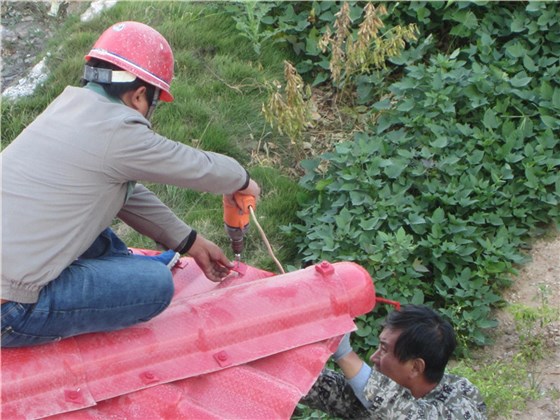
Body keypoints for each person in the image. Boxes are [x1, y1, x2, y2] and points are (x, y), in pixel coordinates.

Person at [1, 21, 260, 348]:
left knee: (89, 212)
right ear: (139, 95)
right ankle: (127, 277)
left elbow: (123, 193)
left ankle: (121, 270)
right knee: (155, 285)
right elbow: (199, 167)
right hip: (10, 309)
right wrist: (245, 180)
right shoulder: (119, 134)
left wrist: (189, 241)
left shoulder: (68, 108)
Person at [301, 304, 487, 419]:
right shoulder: (386, 398)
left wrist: (344, 354)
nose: (374, 357)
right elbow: (331, 391)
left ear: (415, 367)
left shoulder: (461, 402)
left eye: (384, 349)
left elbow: (407, 414)